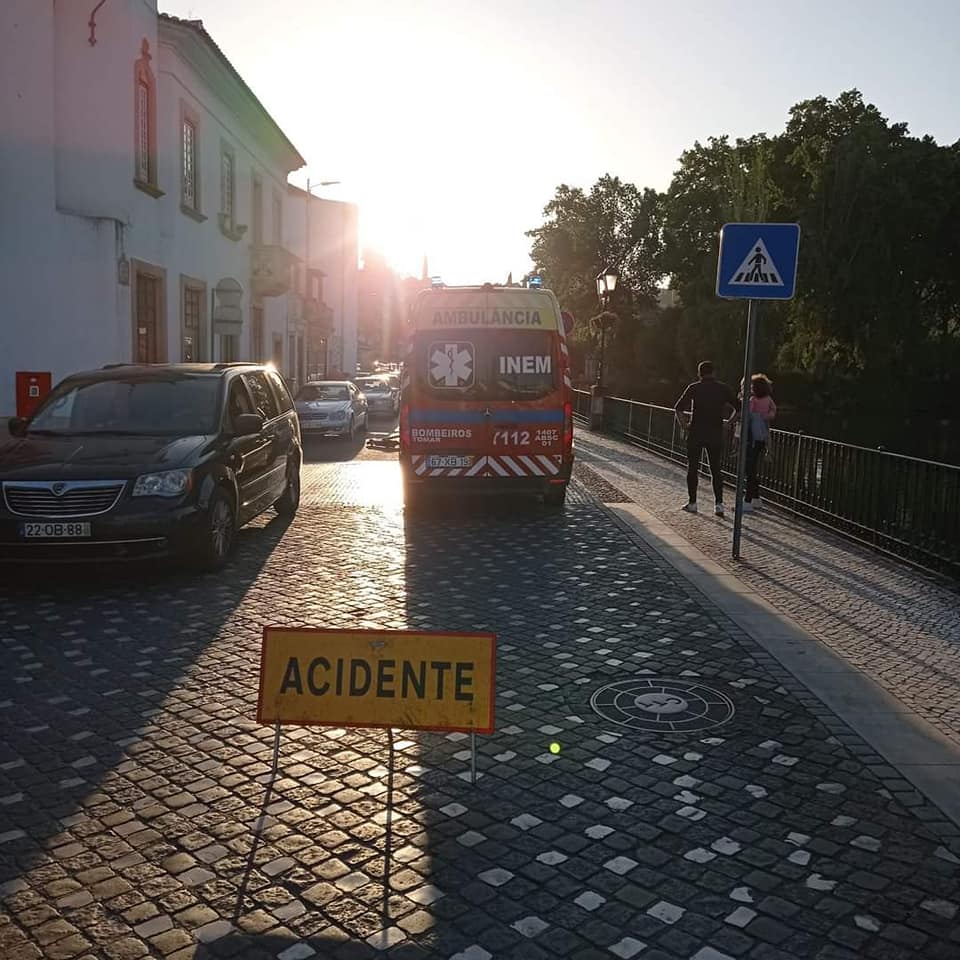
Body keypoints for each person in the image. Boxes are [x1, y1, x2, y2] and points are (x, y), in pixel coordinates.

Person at [674, 361, 739, 515]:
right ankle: (719, 504)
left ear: (699, 373)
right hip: (715, 433)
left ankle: (693, 503)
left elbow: (678, 408)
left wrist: (684, 425)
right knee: (715, 468)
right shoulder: (723, 388)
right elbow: (740, 408)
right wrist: (728, 423)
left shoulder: (694, 388)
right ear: (714, 372)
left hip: (696, 432)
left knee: (693, 468)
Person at [743, 373, 777, 512]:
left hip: (752, 437)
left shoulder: (753, 400)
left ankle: (747, 501)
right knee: (753, 467)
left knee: (749, 469)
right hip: (762, 436)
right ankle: (756, 498)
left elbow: (747, 414)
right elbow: (773, 411)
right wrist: (766, 416)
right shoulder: (768, 399)